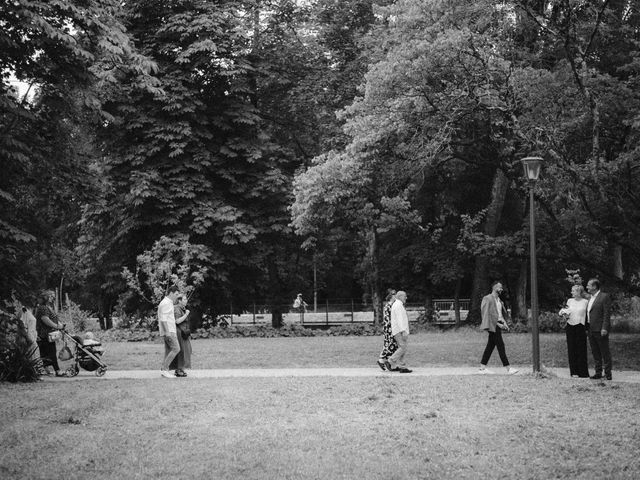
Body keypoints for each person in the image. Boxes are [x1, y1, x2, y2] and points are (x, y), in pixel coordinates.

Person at [479, 281, 518, 375]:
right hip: (493, 325)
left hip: (498, 324)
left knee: (490, 346)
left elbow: (499, 314)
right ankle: (508, 368)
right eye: (500, 287)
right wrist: (499, 324)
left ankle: (482, 368)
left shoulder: (499, 300)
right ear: (494, 287)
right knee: (500, 345)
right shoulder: (487, 298)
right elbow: (487, 314)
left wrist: (504, 323)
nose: (501, 289)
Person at [559, 285, 590, 378]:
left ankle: (583, 372)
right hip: (570, 326)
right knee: (571, 348)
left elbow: (587, 315)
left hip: (580, 326)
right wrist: (564, 314)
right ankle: (574, 371)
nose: (571, 292)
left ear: (579, 292)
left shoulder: (585, 302)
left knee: (581, 349)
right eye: (572, 291)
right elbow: (566, 311)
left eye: (573, 291)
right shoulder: (570, 301)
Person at [586, 278, 612, 380]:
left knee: (605, 352)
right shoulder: (590, 298)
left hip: (600, 329)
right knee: (595, 352)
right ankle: (598, 373)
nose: (587, 286)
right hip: (591, 329)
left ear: (594, 286)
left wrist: (604, 328)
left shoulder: (604, 297)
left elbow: (606, 314)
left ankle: (608, 374)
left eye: (588, 285)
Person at [35, 290, 65, 376]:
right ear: (46, 298)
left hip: (49, 334)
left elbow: (54, 318)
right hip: (44, 334)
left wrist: (61, 325)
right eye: (51, 296)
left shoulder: (48, 307)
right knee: (51, 352)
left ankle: (47, 369)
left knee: (45, 352)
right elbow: (45, 320)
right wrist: (57, 326)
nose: (53, 298)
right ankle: (57, 371)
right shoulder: (43, 307)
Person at [384, 291, 412, 373]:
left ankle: (402, 366)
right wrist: (403, 330)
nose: (406, 298)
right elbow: (400, 319)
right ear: (400, 296)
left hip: (398, 330)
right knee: (403, 347)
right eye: (405, 296)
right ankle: (390, 361)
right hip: (400, 330)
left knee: (402, 348)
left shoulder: (397, 305)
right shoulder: (398, 305)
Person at [158, 286, 181, 378]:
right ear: (171, 293)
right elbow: (163, 319)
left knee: (169, 351)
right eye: (176, 294)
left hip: (170, 330)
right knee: (176, 349)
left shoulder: (168, 302)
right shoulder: (166, 303)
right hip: (169, 331)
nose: (177, 296)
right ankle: (164, 369)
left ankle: (165, 370)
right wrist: (167, 332)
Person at [169, 294, 191, 376]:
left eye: (186, 299)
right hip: (179, 332)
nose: (186, 301)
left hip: (184, 332)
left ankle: (181, 368)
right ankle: (178, 370)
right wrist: (186, 314)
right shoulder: (176, 308)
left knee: (185, 350)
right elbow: (177, 321)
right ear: (179, 300)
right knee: (181, 351)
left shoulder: (182, 308)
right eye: (184, 299)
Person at [377, 289, 398, 371]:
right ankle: (383, 360)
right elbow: (389, 319)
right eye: (394, 295)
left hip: (389, 327)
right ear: (390, 296)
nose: (395, 296)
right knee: (390, 344)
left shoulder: (390, 305)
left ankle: (388, 362)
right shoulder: (389, 306)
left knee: (390, 344)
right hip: (389, 328)